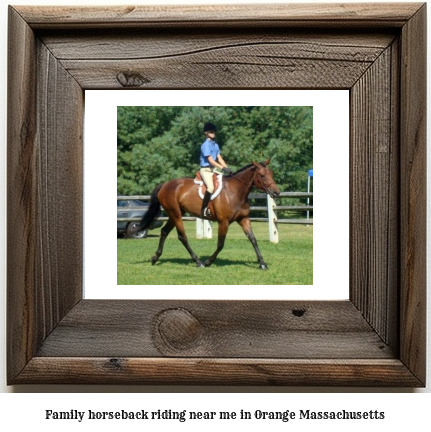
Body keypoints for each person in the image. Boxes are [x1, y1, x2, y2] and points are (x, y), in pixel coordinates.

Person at [199, 122, 232, 217]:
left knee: (225, 182)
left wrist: (227, 168)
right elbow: (210, 160)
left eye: (214, 131)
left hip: (213, 170)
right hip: (206, 170)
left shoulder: (215, 145)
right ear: (206, 133)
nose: (213, 133)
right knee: (210, 187)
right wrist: (222, 168)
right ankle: (204, 209)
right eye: (211, 131)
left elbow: (219, 158)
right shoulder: (205, 145)